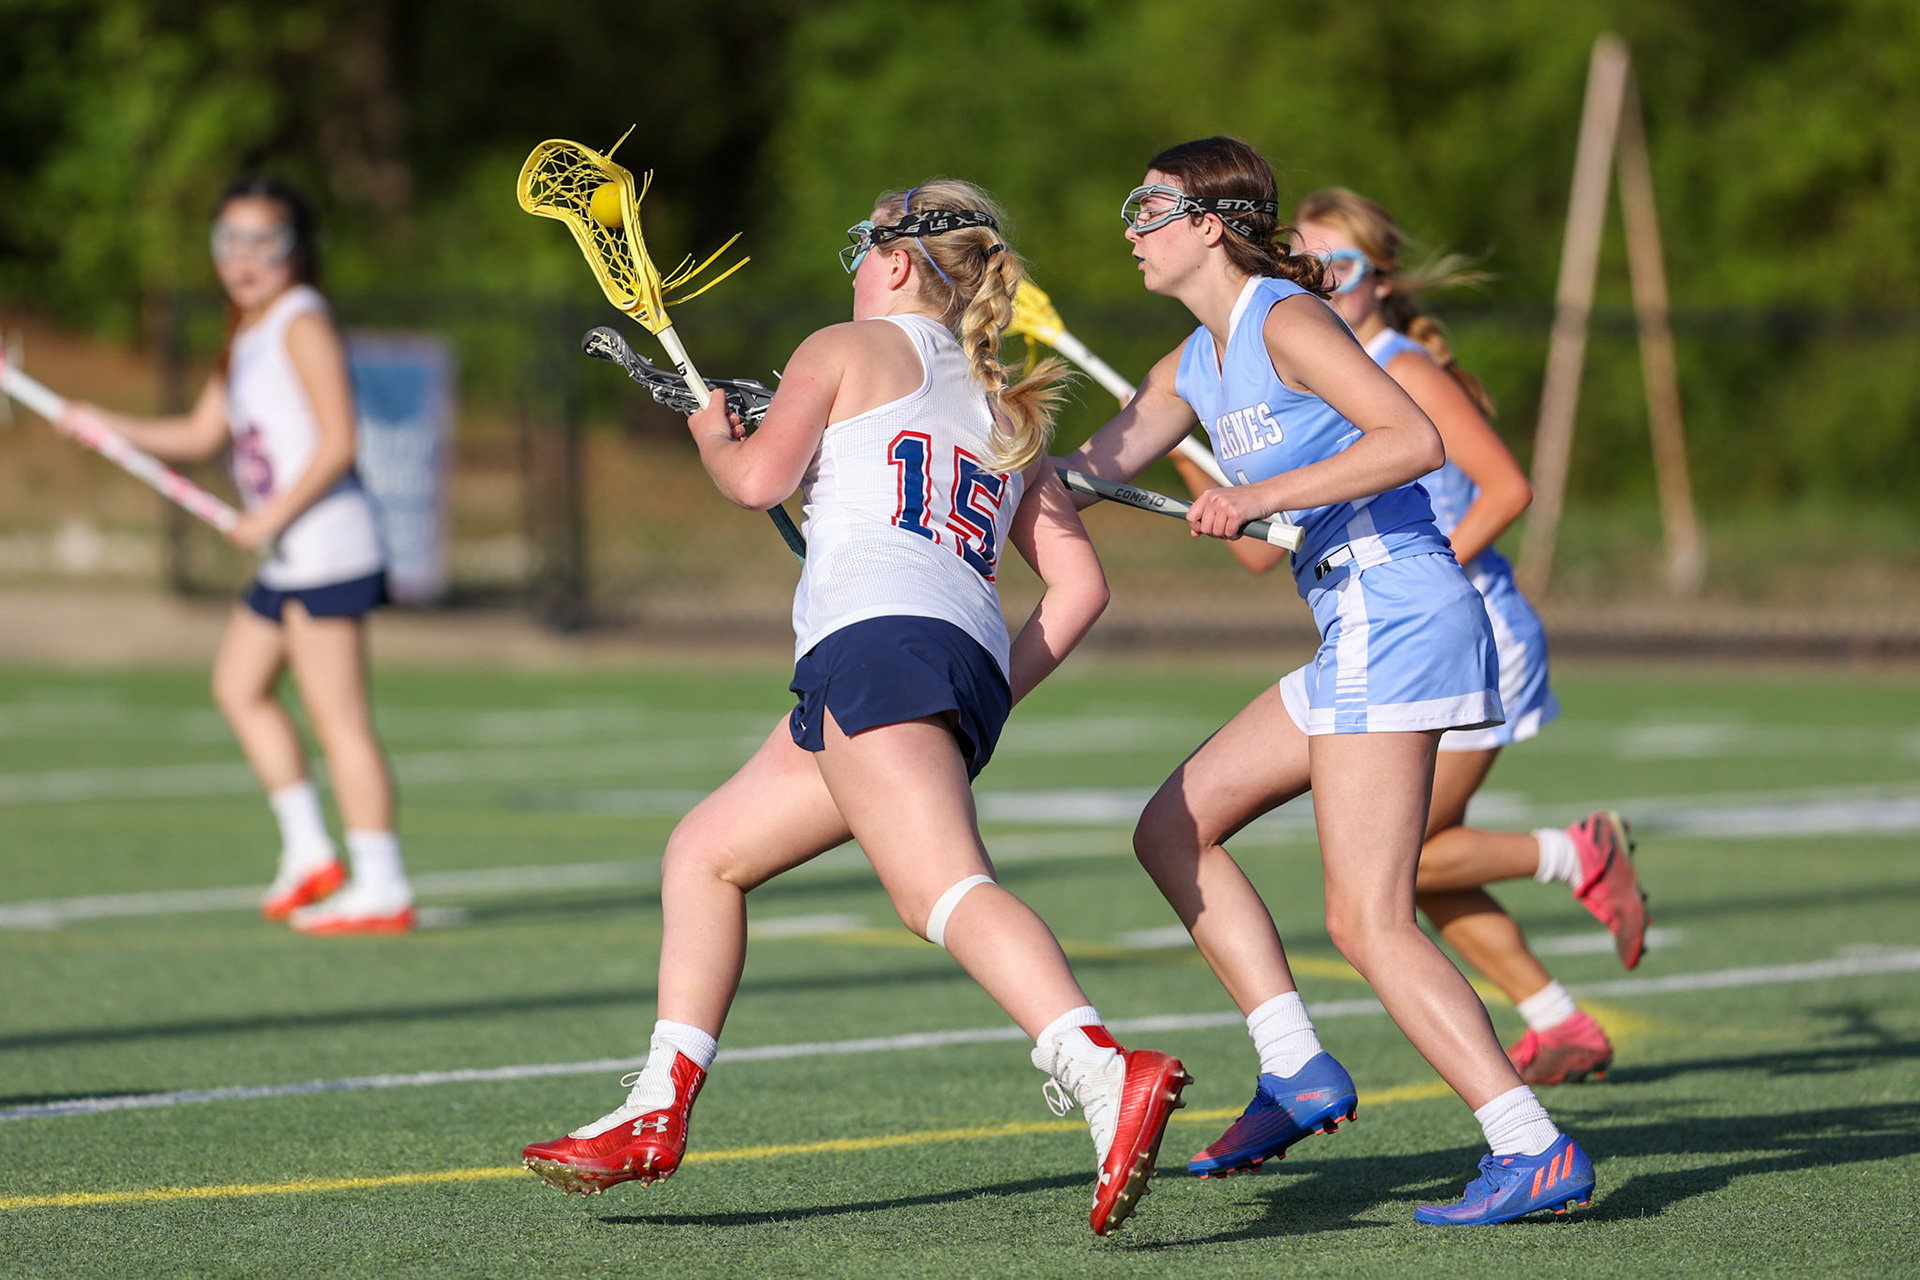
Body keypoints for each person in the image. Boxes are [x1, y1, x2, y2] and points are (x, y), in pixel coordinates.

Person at [518, 181, 1189, 1237]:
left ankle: (1103, 1066)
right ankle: (655, 1106)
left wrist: (708, 432)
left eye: (860, 248)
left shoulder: (841, 346)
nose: (853, 270)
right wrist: (982, 694)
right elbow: (1080, 589)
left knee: (942, 889)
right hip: (939, 660)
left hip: (876, 648)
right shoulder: (1008, 400)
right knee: (705, 853)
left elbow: (752, 480)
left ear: (895, 261)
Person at [1060, 137, 1593, 1225]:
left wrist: (1263, 497)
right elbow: (1082, 473)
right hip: (1353, 623)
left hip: (1395, 607)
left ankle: (1529, 1142)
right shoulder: (1192, 363)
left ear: (1209, 223)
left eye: (1147, 208)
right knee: (1172, 827)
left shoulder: (1285, 318)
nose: (1130, 229)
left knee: (1369, 918)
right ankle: (1295, 1063)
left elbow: (1414, 438)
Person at [1161, 187, 1649, 1087]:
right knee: (1401, 872)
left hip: (1460, 618)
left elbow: (1505, 491)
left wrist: (1414, 574)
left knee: (1397, 871)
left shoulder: (1394, 366)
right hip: (1392, 620)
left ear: (1382, 283)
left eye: (1342, 267)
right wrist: (1189, 446)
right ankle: (1554, 1019)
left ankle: (1573, 854)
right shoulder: (1285, 361)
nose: (1322, 281)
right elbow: (1264, 556)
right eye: (1311, 261)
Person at [53, 177, 412, 934]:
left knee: (338, 720)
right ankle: (312, 852)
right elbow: (197, 433)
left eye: (264, 242)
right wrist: (100, 423)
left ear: (298, 251)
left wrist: (269, 516)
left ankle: (382, 883)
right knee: (238, 686)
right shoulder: (245, 329)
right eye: (229, 241)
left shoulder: (301, 321)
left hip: (325, 546)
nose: (243, 258)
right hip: (287, 551)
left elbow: (339, 440)